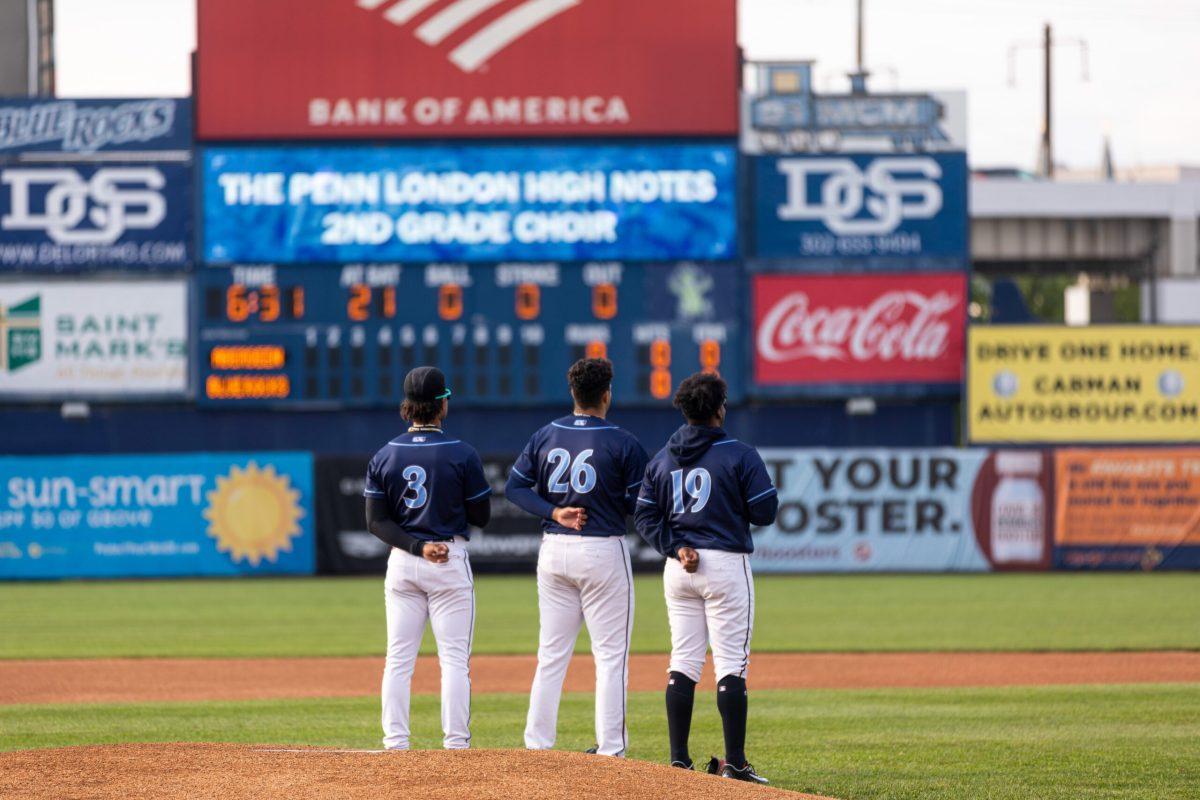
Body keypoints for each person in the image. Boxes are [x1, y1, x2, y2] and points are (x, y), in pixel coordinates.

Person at [634, 372, 779, 784]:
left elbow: (644, 515)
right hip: (724, 566)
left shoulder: (662, 458)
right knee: (731, 665)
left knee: (683, 661)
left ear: (683, 408)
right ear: (719, 409)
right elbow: (765, 511)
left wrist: (674, 545)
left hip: (679, 566)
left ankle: (679, 761)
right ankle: (735, 764)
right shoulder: (739, 453)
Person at [505, 357, 649, 757]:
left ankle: (537, 744)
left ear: (573, 393)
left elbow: (515, 489)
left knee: (551, 654)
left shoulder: (546, 435)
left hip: (554, 549)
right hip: (602, 549)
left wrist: (554, 511)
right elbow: (641, 503)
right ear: (607, 394)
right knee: (611, 658)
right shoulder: (624, 442)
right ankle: (611, 750)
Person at [363, 366, 492, 751]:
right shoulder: (462, 454)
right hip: (447, 558)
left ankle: (396, 743)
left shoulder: (385, 455)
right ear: (441, 405)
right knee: (453, 659)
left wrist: (415, 547)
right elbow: (482, 517)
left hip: (402, 561)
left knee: (398, 659)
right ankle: (455, 746)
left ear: (407, 406)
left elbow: (375, 522)